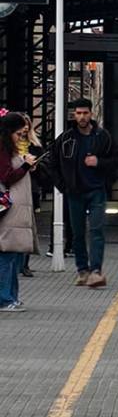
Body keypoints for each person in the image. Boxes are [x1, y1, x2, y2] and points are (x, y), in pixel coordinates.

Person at [48, 98, 118, 288]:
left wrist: (99, 163)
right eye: (78, 113)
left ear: (91, 114)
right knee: (77, 233)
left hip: (96, 190)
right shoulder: (65, 138)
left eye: (85, 113)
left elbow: (115, 160)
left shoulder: (103, 137)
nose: (82, 117)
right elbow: (52, 164)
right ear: (74, 115)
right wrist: (63, 187)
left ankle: (96, 271)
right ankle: (82, 270)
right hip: (75, 191)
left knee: (97, 230)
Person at [0, 111, 40, 311]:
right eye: (18, 134)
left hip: (15, 211)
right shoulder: (2, 150)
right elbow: (7, 176)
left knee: (12, 256)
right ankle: (6, 298)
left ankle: (11, 297)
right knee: (7, 256)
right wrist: (25, 166)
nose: (20, 138)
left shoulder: (9, 149)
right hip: (9, 210)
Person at [17, 114, 44, 277]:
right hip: (12, 188)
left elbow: (44, 170)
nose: (25, 127)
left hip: (30, 188)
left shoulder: (35, 145)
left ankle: (24, 263)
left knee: (27, 226)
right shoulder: (7, 146)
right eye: (22, 124)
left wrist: (35, 167)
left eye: (28, 124)